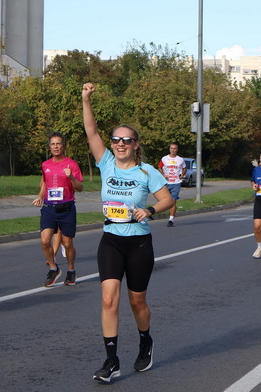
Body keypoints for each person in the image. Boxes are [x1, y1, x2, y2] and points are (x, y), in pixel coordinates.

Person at [82, 83, 174, 383]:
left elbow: (168, 199)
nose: (120, 144)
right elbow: (91, 132)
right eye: (116, 140)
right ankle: (111, 361)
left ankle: (146, 339)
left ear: (136, 144)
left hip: (138, 243)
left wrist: (150, 210)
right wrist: (86, 100)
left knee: (137, 302)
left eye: (127, 140)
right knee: (109, 300)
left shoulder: (147, 172)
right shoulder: (106, 162)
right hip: (111, 239)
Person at [32, 132, 83, 287]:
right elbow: (45, 183)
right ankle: (53, 268)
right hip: (49, 208)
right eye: (53, 144)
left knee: (67, 243)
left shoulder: (71, 165)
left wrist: (71, 178)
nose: (56, 146)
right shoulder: (45, 165)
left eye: (58, 143)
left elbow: (80, 188)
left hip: (66, 208)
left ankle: (71, 270)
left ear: (63, 146)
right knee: (44, 240)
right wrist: (40, 196)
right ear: (49, 146)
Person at [158, 143, 187, 227]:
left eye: (175, 148)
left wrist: (182, 174)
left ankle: (171, 220)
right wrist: (163, 174)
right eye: (171, 148)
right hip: (166, 183)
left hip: (176, 183)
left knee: (173, 201)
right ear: (169, 149)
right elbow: (159, 167)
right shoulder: (164, 159)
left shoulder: (180, 159)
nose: (173, 150)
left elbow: (184, 168)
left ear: (177, 150)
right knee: (165, 201)